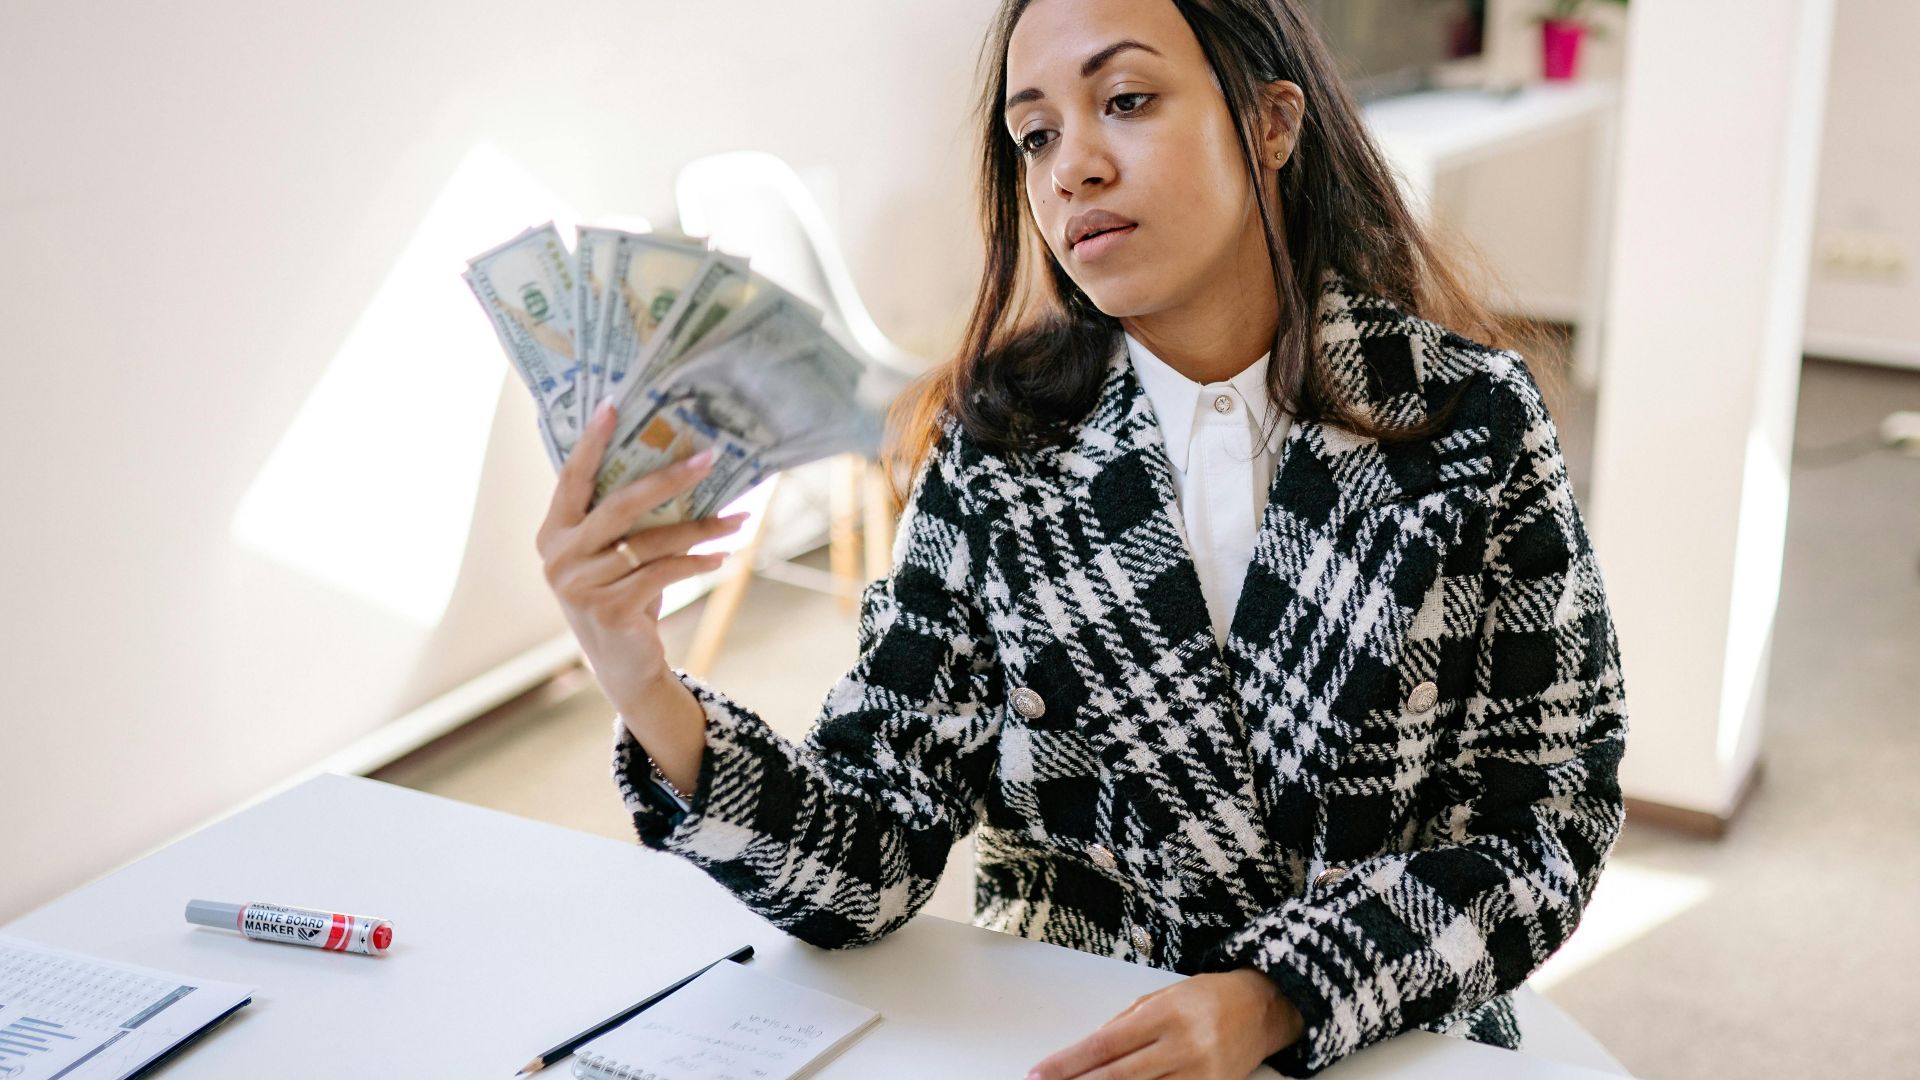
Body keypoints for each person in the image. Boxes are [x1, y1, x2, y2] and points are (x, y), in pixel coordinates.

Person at [534, 0, 1630, 1076]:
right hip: (1077, 1036)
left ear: (1271, 123)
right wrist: (638, 674)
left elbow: (1548, 824)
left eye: (1128, 99)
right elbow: (864, 860)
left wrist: (1273, 999)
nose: (1073, 168)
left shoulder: (1466, 419)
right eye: (1036, 133)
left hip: (1385, 1033)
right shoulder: (999, 447)